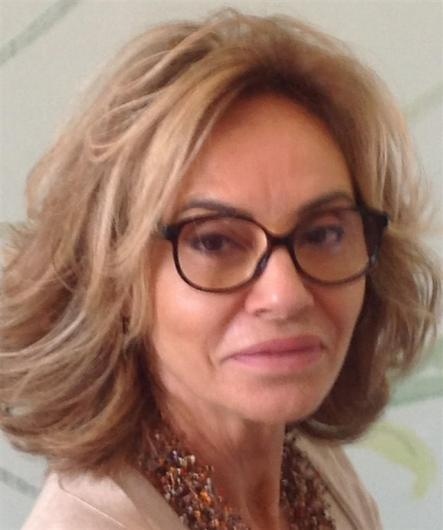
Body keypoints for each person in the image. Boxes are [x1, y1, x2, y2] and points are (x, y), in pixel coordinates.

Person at [0, 9, 440, 530]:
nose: (286, 295)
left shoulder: (317, 472)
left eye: (322, 233)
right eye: (214, 241)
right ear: (113, 280)